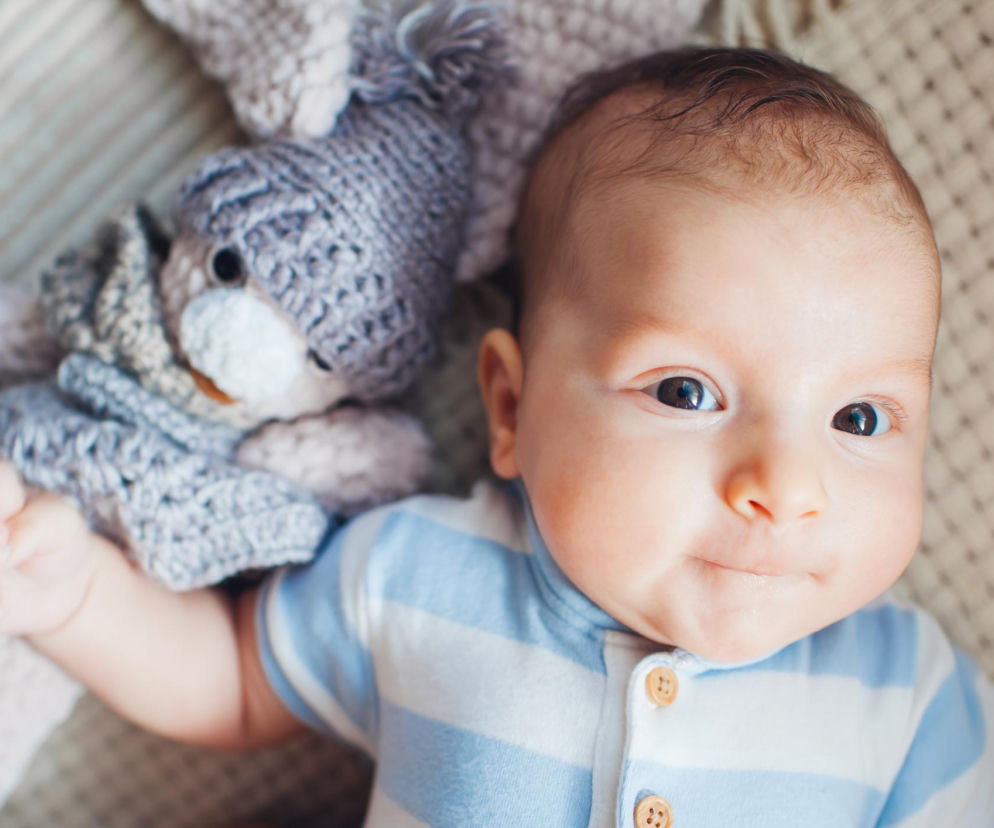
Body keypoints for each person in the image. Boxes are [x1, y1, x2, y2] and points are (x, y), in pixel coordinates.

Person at [1, 46, 992, 826]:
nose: (783, 483)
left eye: (858, 418)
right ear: (511, 410)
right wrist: (75, 594)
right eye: (686, 392)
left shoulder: (908, 697)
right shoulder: (421, 575)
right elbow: (232, 682)